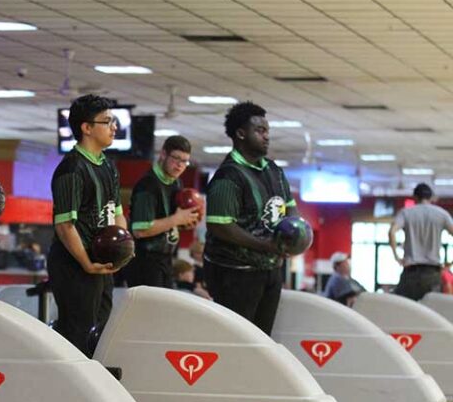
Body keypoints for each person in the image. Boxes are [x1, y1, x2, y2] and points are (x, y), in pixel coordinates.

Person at [203, 101, 295, 335]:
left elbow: (290, 210)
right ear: (241, 134)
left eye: (267, 131)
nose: (266, 137)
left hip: (270, 270)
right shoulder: (228, 176)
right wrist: (266, 245)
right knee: (238, 340)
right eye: (260, 131)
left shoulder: (274, 170)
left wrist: (294, 238)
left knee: (262, 340)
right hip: (235, 273)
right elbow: (220, 226)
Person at [48, 94, 125, 357]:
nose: (114, 127)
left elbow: (116, 214)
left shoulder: (108, 166)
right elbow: (65, 226)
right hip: (74, 265)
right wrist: (85, 262)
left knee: (102, 333)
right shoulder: (71, 169)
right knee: (78, 334)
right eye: (108, 121)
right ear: (87, 127)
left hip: (101, 264)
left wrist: (125, 247)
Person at [126, 135, 200, 288]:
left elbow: (169, 220)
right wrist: (177, 219)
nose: (180, 165)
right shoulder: (148, 185)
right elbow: (140, 230)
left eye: (185, 161)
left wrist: (187, 222)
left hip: (167, 258)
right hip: (145, 261)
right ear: (163, 154)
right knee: (151, 311)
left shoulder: (176, 183)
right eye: (176, 158)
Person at [389, 183, 453, 301]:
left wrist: (396, 257)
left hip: (411, 273)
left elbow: (392, 231)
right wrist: (450, 263)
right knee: (430, 314)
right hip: (432, 274)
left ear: (415, 197)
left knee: (406, 312)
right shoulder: (442, 214)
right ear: (431, 197)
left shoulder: (406, 213)